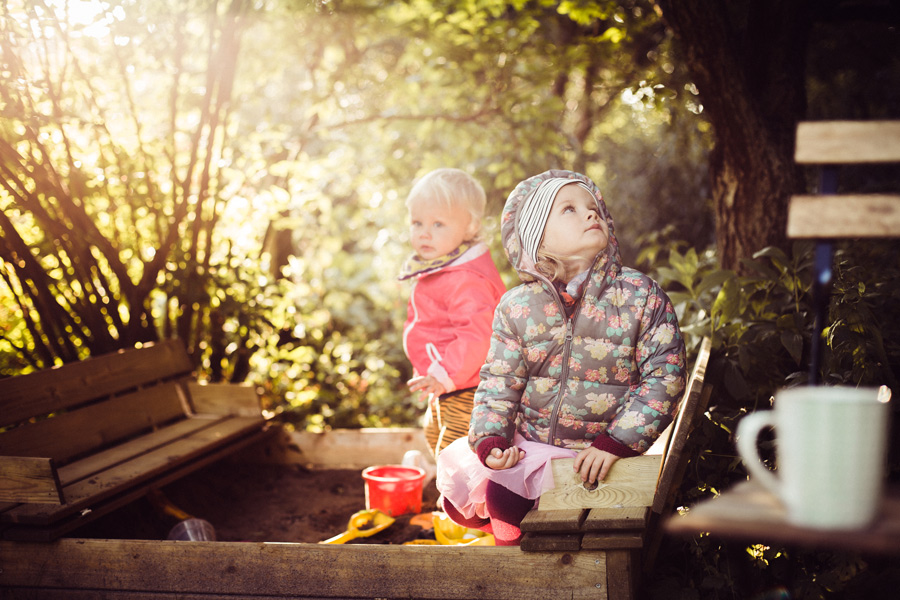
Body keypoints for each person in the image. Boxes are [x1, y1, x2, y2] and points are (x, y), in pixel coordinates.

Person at [435, 169, 686, 545]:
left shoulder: (639, 296)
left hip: (601, 453)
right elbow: (499, 382)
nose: (591, 214)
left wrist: (617, 442)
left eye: (594, 207)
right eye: (569, 209)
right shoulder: (517, 307)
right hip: (534, 444)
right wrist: (492, 440)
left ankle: (539, 552)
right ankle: (510, 551)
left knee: (554, 513)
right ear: (538, 237)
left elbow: (665, 376)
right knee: (497, 493)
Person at [399, 168, 506, 458]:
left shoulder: (467, 278)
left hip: (468, 385)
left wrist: (446, 372)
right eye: (417, 222)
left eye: (438, 224)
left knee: (456, 451)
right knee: (436, 434)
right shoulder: (446, 267)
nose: (424, 232)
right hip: (449, 383)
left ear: (470, 227)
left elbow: (479, 336)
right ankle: (445, 487)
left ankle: (461, 501)